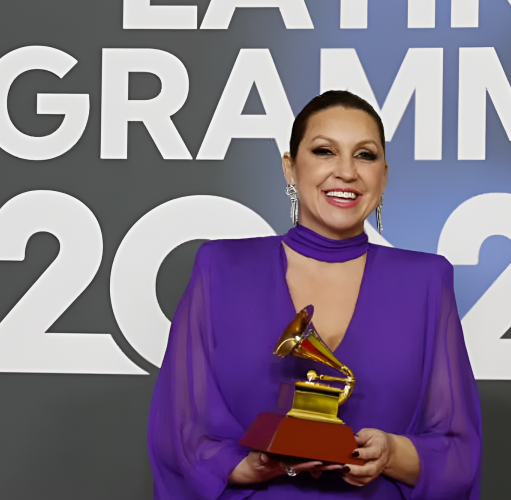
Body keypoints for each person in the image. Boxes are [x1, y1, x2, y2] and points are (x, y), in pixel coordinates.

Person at [148, 91, 482, 499]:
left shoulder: (427, 281)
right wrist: (252, 467)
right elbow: (180, 433)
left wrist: (390, 453)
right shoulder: (221, 267)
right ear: (290, 168)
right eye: (325, 151)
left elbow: (460, 454)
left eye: (365, 155)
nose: (346, 172)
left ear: (384, 175)